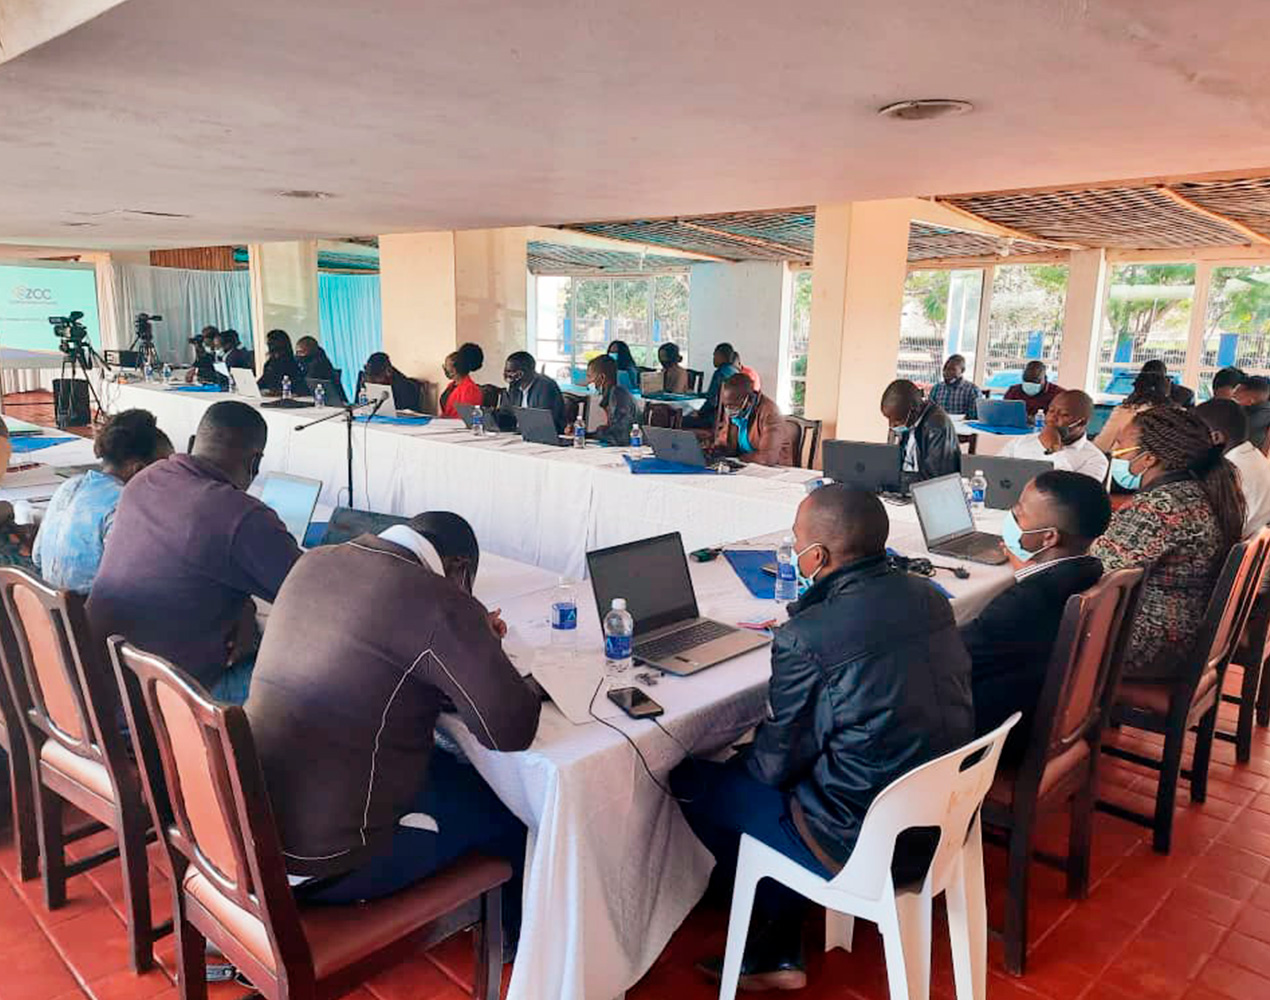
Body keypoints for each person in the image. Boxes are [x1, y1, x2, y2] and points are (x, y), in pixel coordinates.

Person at [672, 485, 972, 990]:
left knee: (693, 778)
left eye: (796, 541)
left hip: (863, 839)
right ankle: (779, 935)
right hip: (945, 814)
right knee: (800, 762)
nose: (794, 550)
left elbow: (775, 768)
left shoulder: (808, 635)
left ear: (819, 556)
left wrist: (745, 753)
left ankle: (767, 922)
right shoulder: (928, 596)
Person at [245, 511, 539, 906]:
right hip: (326, 861)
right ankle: (517, 950)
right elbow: (509, 731)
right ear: (459, 568)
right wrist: (494, 655)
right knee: (514, 810)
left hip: (251, 825)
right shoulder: (440, 600)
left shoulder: (314, 561)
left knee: (445, 765)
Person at [86, 401, 301, 703]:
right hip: (168, 704)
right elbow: (310, 597)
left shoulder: (144, 481)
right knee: (305, 669)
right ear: (255, 463)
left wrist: (242, 607)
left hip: (101, 687)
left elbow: (184, 569)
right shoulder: (241, 515)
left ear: (190, 444)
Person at [960, 471, 1110, 762]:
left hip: (998, 737)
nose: (1012, 516)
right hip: (1050, 714)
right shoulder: (1089, 571)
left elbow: (952, 656)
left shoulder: (1022, 605)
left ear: (1049, 537)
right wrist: (1025, 568)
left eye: (1019, 513)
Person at [1090, 406, 1244, 681]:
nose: (1114, 449)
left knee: (1029, 630)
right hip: (1183, 633)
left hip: (1152, 644)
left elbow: (1094, 571)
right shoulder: (1199, 490)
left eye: (1121, 444)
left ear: (1148, 458)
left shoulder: (1160, 507)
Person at [33, 410, 173, 594]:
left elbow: (37, 557)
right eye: (167, 469)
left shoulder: (69, 486)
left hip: (51, 612)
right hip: (90, 616)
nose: (172, 477)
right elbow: (136, 581)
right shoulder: (126, 505)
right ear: (139, 469)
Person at [1195, 399, 1270, 537]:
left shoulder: (1229, 472)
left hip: (1235, 549)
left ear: (1216, 437)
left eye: (1193, 434)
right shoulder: (1255, 457)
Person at [1002, 389, 1109, 482]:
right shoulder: (1020, 442)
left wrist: (1054, 450)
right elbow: (994, 472)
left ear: (1082, 422)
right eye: (1051, 411)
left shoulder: (1095, 459)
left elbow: (1073, 497)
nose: (1052, 418)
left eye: (1064, 414)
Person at [880, 378, 961, 483]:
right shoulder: (904, 420)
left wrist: (898, 478)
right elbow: (892, 463)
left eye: (897, 420)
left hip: (927, 491)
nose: (891, 425)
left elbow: (935, 478)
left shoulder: (937, 427)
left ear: (914, 410)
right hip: (904, 489)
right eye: (888, 419)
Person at [713, 374, 793, 466]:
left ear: (749, 399)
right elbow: (726, 442)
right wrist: (716, 451)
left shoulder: (770, 413)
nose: (728, 410)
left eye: (732, 405)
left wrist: (737, 459)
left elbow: (767, 458)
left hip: (774, 470)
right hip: (744, 467)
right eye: (726, 405)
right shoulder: (735, 411)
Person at [1092, 370, 1173, 453]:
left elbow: (1102, 445)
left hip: (1127, 462)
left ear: (1136, 389)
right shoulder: (1174, 415)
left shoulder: (1126, 412)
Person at [501, 351, 566, 432]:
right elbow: (507, 415)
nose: (509, 376)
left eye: (512, 372)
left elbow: (542, 422)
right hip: (521, 436)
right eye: (507, 371)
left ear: (527, 371)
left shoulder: (545, 386)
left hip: (545, 438)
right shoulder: (514, 387)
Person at [683, 343, 739, 429]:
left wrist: (699, 413)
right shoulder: (735, 372)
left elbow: (712, 402)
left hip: (713, 420)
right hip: (729, 419)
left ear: (721, 356)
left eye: (714, 355)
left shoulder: (720, 373)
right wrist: (699, 395)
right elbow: (714, 394)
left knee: (679, 420)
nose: (713, 359)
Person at [586, 354, 637, 446]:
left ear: (602, 378)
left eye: (589, 376)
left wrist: (600, 431)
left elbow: (620, 437)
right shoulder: (611, 395)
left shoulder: (619, 396)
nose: (588, 381)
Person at [257, 329, 310, 396]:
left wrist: (274, 392)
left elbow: (297, 387)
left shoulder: (291, 364)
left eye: (270, 343)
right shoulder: (270, 363)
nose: (268, 344)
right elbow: (263, 381)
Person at [928, 353, 981, 419]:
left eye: (952, 369)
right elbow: (929, 412)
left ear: (962, 370)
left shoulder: (972, 390)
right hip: (940, 425)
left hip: (963, 427)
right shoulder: (936, 389)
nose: (947, 372)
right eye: (945, 369)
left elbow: (974, 417)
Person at [1235, 375, 1270, 453]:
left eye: (1237, 396)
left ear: (1250, 400)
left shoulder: (1253, 419)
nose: (1234, 394)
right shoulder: (1244, 410)